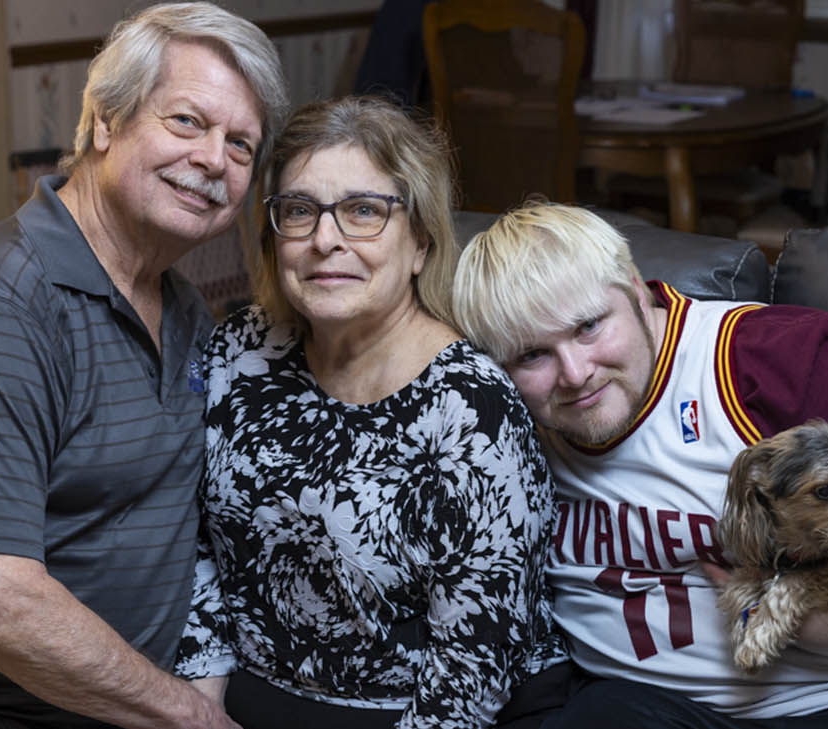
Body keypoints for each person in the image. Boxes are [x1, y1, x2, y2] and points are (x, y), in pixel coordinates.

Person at [0, 4, 288, 728]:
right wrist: (192, 718)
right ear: (105, 121)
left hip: (124, 706)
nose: (213, 161)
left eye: (241, 145)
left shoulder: (191, 311)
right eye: (188, 123)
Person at [450, 202, 828, 729]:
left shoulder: (765, 354)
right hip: (634, 704)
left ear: (635, 290)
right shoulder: (498, 416)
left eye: (588, 326)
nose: (575, 373)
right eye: (533, 354)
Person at [173, 96, 569, 729]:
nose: (325, 239)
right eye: (299, 211)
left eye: (363, 211)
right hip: (242, 698)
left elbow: (473, 665)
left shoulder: (473, 410)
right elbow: (188, 537)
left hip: (420, 713)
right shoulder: (238, 350)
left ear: (420, 242)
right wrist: (199, 695)